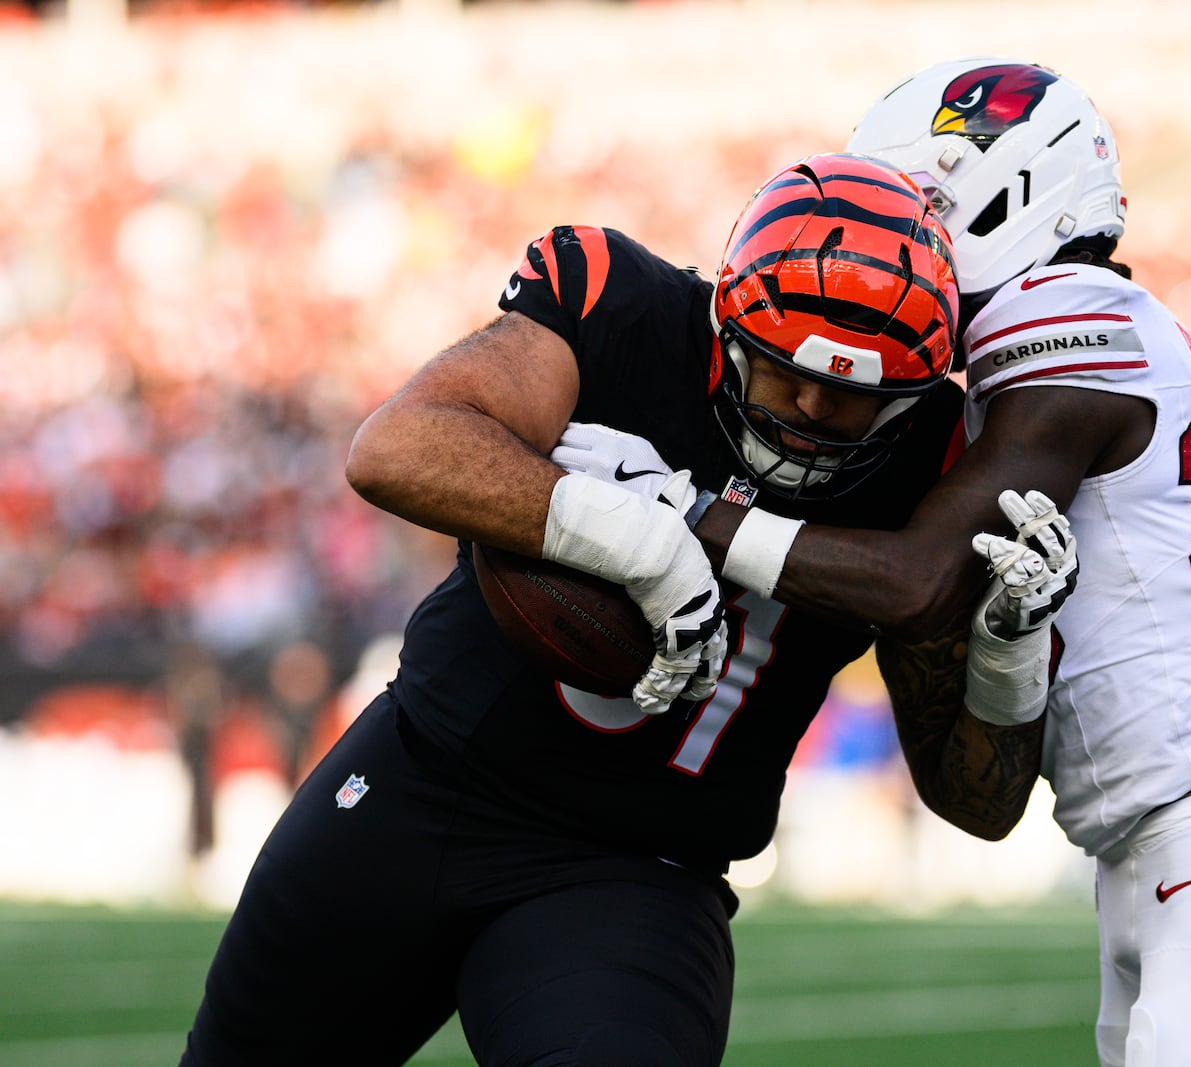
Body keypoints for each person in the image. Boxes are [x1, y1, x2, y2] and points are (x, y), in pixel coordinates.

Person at [178, 152, 1077, 1066]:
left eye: (854, 395)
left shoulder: (929, 463)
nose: (810, 407)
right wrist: (634, 538)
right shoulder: (625, 310)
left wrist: (1007, 657)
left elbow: (981, 804)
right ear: (727, 326)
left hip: (633, 871)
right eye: (782, 372)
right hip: (421, 782)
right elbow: (396, 446)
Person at [558, 58, 1191, 1066]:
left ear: (1013, 188)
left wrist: (684, 512)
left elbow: (913, 578)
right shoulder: (1025, 352)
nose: (907, 235)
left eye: (925, 204)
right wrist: (1004, 650)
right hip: (1145, 839)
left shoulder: (1064, 310)